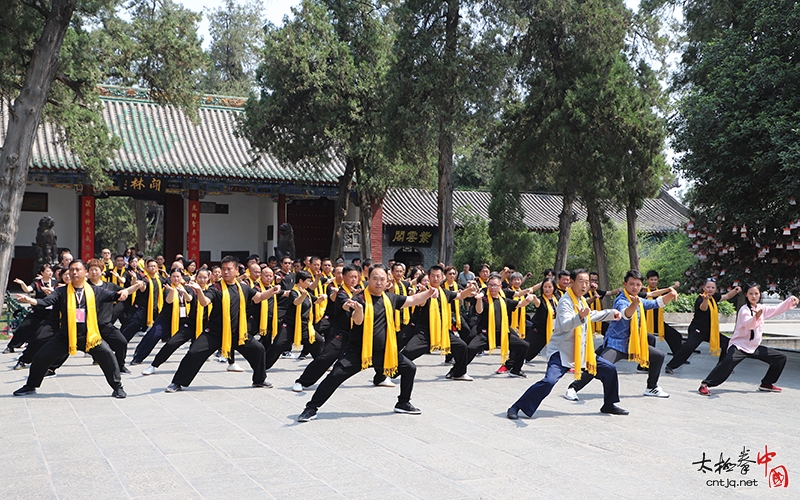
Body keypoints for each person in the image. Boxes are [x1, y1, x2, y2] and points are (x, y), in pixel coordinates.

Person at [297, 265, 436, 422]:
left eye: (382, 279)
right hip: (358, 352)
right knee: (335, 376)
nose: (378, 282)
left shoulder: (390, 298)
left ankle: (403, 403)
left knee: (409, 368)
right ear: (368, 279)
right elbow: (357, 320)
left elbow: (413, 299)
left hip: (384, 352)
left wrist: (429, 293)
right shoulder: (359, 299)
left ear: (387, 281)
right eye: (375, 278)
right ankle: (311, 408)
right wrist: (359, 310)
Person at [506, 269, 625, 419]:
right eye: (581, 281)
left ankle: (609, 404)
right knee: (549, 381)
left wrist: (610, 313)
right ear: (572, 282)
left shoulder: (580, 300)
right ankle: (516, 407)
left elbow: (590, 315)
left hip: (581, 350)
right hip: (562, 351)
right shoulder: (565, 301)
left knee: (609, 369)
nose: (584, 285)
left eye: (587, 282)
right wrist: (580, 316)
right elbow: (567, 324)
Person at [12, 260, 128, 398]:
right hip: (65, 336)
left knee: (108, 356)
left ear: (85, 273)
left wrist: (124, 293)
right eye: (72, 269)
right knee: (40, 358)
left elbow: (114, 296)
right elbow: (46, 302)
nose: (74, 272)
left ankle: (117, 387)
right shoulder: (61, 291)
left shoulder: (95, 291)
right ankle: (30, 386)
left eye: (78, 269)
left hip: (89, 337)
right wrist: (31, 301)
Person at [165, 256, 279, 393]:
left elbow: (259, 297)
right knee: (194, 352)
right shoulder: (216, 288)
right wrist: (199, 291)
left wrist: (272, 291)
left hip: (238, 332)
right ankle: (177, 382)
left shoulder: (243, 288)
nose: (225, 272)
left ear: (236, 270)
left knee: (258, 349)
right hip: (214, 332)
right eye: (223, 269)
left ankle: (259, 380)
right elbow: (204, 302)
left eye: (229, 269)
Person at [564, 270, 678, 402]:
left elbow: (655, 303)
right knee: (598, 365)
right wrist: (634, 305)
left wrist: (670, 294)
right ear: (625, 284)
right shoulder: (622, 300)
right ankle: (572, 388)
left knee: (658, 356)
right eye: (631, 284)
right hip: (616, 344)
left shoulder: (637, 300)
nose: (635, 287)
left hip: (633, 345)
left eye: (638, 284)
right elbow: (625, 314)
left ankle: (651, 387)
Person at [698, 284, 798, 396]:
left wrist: (790, 300)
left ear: (760, 294)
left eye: (756, 293)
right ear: (746, 295)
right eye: (751, 294)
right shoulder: (744, 310)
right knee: (727, 362)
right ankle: (705, 384)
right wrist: (756, 317)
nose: (754, 296)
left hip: (753, 347)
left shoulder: (761, 308)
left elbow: (776, 309)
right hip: (739, 345)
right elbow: (748, 324)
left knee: (780, 358)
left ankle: (766, 383)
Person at [402, 265, 477, 381]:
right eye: (433, 276)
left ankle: (459, 372)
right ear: (429, 277)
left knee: (461, 346)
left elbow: (460, 295)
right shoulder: (424, 291)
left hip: (442, 331)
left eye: (438, 276)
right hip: (425, 332)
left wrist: (470, 289)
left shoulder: (445, 293)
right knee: (408, 351)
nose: (435, 279)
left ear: (442, 277)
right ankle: (389, 373)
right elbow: (419, 302)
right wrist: (425, 294)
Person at [292, 265, 360, 392]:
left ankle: (383, 376)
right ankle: (302, 381)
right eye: (350, 277)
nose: (353, 279)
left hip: (356, 334)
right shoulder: (342, 293)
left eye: (356, 277)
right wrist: (355, 300)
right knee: (325, 358)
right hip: (341, 334)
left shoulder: (359, 292)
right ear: (343, 277)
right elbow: (346, 305)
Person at [665, 278, 741, 374]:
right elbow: (703, 308)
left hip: (710, 331)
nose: (710, 289)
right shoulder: (701, 298)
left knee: (727, 343)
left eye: (713, 287)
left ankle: (722, 366)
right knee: (689, 347)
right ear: (704, 288)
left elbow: (727, 296)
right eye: (708, 287)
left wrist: (735, 290)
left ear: (715, 289)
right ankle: (670, 366)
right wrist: (705, 300)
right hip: (697, 330)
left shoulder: (714, 297)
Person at [465, 274, 534, 378]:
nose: (493, 288)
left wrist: (528, 299)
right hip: (486, 335)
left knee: (524, 345)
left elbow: (520, 304)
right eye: (490, 285)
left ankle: (515, 370)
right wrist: (478, 299)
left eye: (495, 285)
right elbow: (479, 310)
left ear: (500, 287)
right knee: (471, 348)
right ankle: (458, 369)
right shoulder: (484, 299)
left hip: (503, 335)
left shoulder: (504, 301)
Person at [85, 259, 140, 373]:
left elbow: (124, 292)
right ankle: (51, 368)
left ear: (101, 272)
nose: (94, 272)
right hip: (88, 325)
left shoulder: (109, 286)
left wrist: (137, 286)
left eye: (96, 269)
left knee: (122, 342)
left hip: (105, 324)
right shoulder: (84, 287)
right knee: (66, 345)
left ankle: (120, 365)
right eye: (91, 270)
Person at [130, 268, 194, 365]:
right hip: (166, 318)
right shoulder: (167, 288)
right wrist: (173, 291)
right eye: (174, 276)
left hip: (182, 319)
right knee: (153, 335)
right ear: (170, 277)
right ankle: (138, 357)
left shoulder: (187, 288)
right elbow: (169, 301)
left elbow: (189, 299)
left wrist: (184, 292)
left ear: (181, 277)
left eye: (178, 276)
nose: (176, 279)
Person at [4, 265, 58, 354]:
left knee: (45, 331)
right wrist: (22, 283)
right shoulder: (37, 282)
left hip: (51, 311)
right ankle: (11, 346)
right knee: (24, 327)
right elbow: (28, 289)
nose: (50, 273)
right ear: (42, 273)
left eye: (51, 271)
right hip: (38, 309)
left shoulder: (55, 282)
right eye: (48, 271)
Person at [642, 270, 685, 359]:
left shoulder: (660, 291)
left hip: (658, 323)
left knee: (675, 335)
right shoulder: (643, 292)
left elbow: (669, 290)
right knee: (650, 340)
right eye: (651, 279)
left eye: (655, 279)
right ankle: (646, 361)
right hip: (645, 323)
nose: (653, 281)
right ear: (647, 280)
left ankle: (678, 358)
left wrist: (675, 285)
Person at [121, 258, 165, 341]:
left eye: (154, 266)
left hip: (155, 309)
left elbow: (169, 282)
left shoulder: (159, 279)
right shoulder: (144, 278)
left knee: (159, 329)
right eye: (151, 266)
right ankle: (119, 344)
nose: (153, 268)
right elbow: (138, 285)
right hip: (142, 309)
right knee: (131, 329)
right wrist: (131, 284)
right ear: (146, 268)